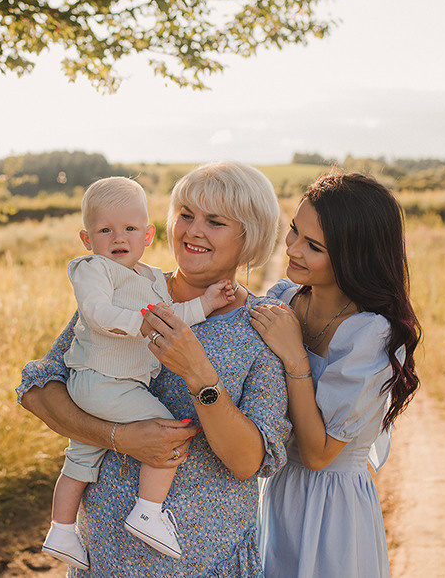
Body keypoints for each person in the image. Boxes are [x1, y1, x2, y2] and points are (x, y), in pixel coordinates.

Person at [17, 161, 291, 576]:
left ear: (248, 236)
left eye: (214, 221)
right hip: (108, 557)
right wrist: (119, 437)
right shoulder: (125, 287)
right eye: (185, 215)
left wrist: (200, 374)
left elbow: (247, 462)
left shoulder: (262, 327)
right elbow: (39, 389)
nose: (192, 231)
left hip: (204, 562)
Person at [41, 176, 238, 569]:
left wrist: (205, 303)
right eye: (105, 230)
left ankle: (60, 531)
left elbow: (171, 320)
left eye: (130, 228)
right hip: (101, 381)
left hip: (108, 385)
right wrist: (139, 323)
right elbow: (96, 313)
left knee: (81, 457)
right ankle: (148, 511)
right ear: (86, 239)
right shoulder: (93, 268)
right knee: (167, 433)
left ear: (147, 235)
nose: (118, 237)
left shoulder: (151, 279)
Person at [248, 171, 421, 578]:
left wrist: (295, 358)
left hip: (331, 509)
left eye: (314, 246)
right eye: (293, 231)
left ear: (354, 255)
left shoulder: (370, 335)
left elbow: (318, 454)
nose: (292, 248)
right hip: (275, 493)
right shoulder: (284, 299)